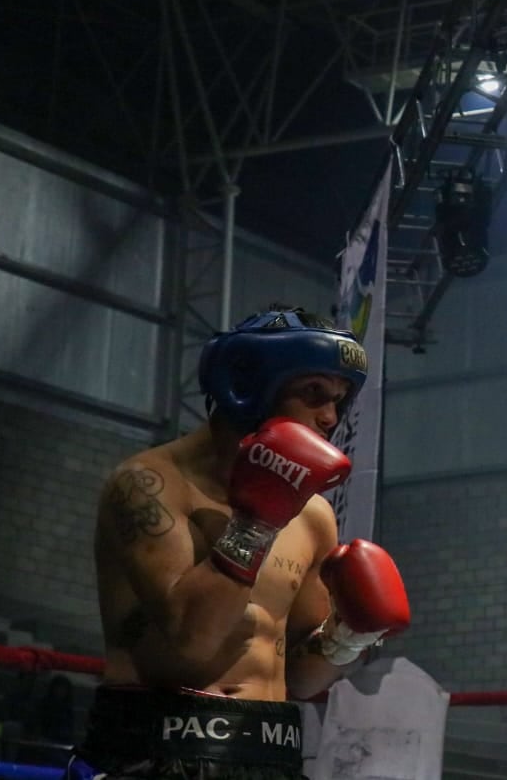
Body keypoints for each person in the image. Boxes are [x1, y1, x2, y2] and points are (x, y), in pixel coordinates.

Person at [70, 306, 412, 780]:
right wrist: (259, 519)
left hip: (271, 756)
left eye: (339, 399)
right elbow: (192, 641)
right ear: (250, 382)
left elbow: (298, 677)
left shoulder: (312, 515)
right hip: (153, 754)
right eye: (313, 392)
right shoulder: (148, 485)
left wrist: (348, 636)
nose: (330, 416)